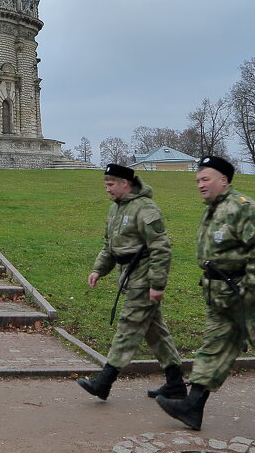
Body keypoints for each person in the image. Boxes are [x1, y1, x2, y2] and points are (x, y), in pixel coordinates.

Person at [156, 155, 255, 439]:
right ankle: (192, 407)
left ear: (224, 179)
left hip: (248, 300)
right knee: (211, 349)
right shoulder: (213, 210)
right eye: (198, 180)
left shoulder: (243, 209)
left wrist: (252, 292)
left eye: (205, 179)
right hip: (221, 299)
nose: (200, 185)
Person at [77, 163, 184, 401]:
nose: (107, 189)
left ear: (125, 183)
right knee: (155, 331)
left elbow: (161, 248)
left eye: (111, 184)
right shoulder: (115, 210)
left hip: (143, 278)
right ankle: (175, 383)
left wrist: (157, 284)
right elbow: (110, 245)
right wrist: (98, 270)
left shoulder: (144, 208)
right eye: (106, 184)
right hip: (128, 275)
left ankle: (104, 381)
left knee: (128, 326)